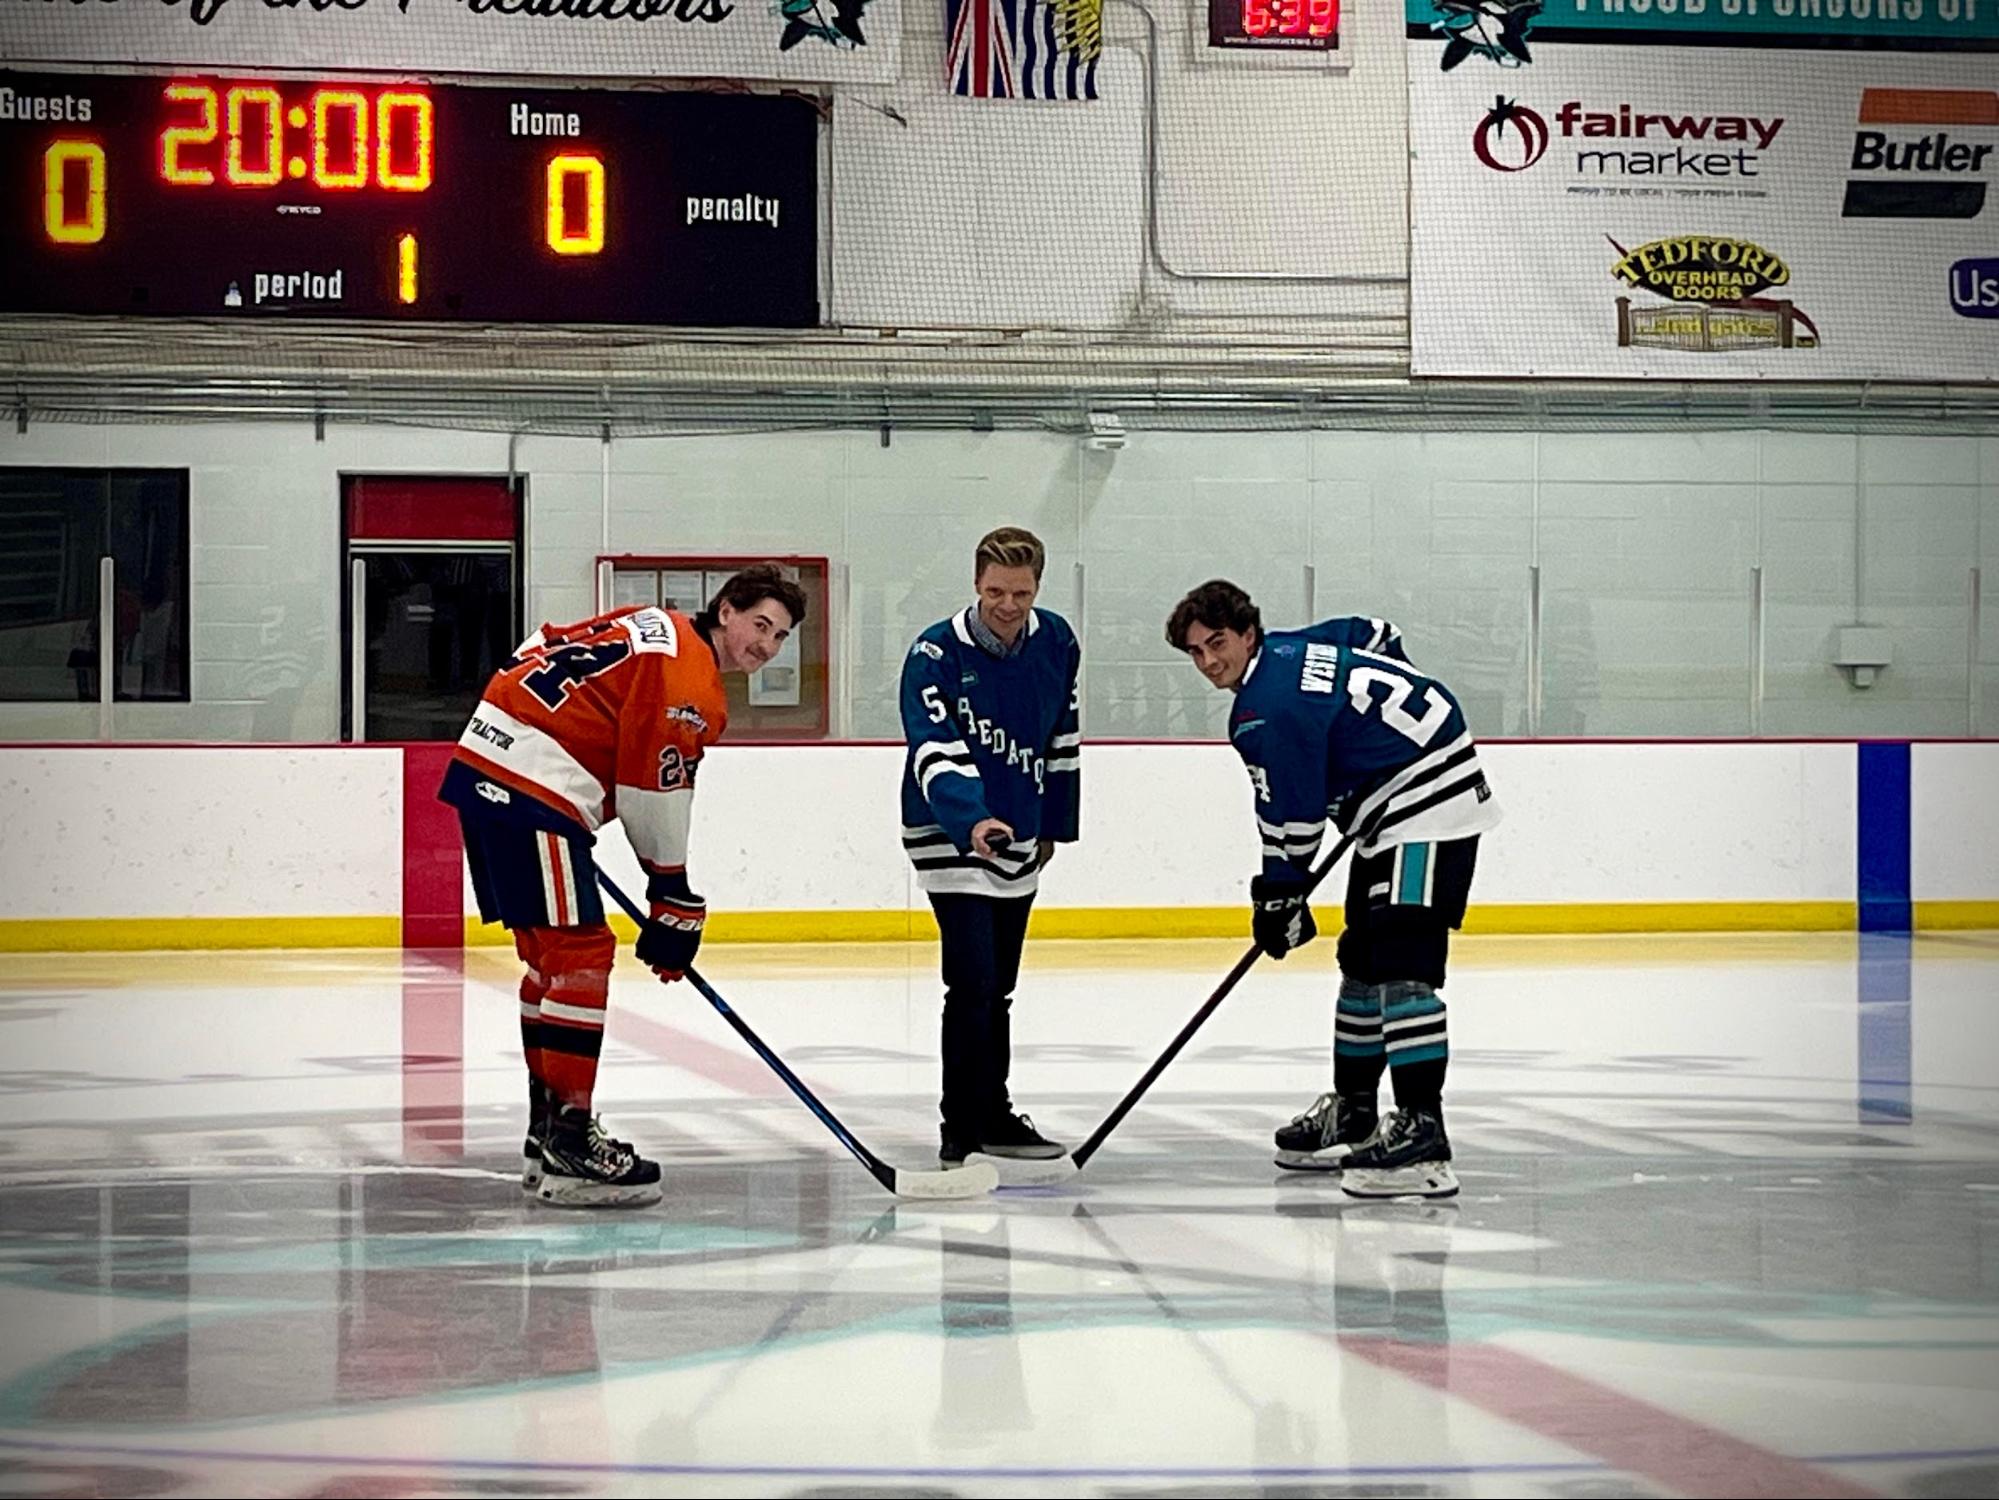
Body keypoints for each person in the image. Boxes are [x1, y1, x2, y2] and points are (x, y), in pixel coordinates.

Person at [440, 565, 807, 1208]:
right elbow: (653, 788)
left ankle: (550, 1131)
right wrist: (673, 895)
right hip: (530, 787)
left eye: (780, 637)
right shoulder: (688, 675)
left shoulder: (650, 625)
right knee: (580, 955)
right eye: (760, 625)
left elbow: (536, 648)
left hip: (491, 769)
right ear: (725, 611)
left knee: (552, 959)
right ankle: (570, 1143)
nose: (767, 645)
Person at [1165, 580, 1500, 1200]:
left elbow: (1294, 817)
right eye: (1196, 652)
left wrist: (1279, 894)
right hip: (1393, 807)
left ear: (1247, 632)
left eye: (1218, 644)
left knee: (1403, 964)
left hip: (1427, 806)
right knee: (1362, 961)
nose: (1210, 662)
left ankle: (1424, 1136)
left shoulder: (1267, 708)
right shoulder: (1293, 650)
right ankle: (1355, 1111)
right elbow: (1373, 634)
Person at [900, 526, 1081, 1168]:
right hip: (946, 833)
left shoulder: (1056, 640)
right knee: (973, 981)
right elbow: (932, 744)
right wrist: (970, 819)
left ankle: (993, 1112)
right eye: (996, 591)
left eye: (1022, 593)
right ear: (976, 584)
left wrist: (1055, 822)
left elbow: (1062, 735)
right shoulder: (933, 653)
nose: (1008, 605)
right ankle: (963, 1122)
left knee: (999, 985)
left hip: (1020, 830)